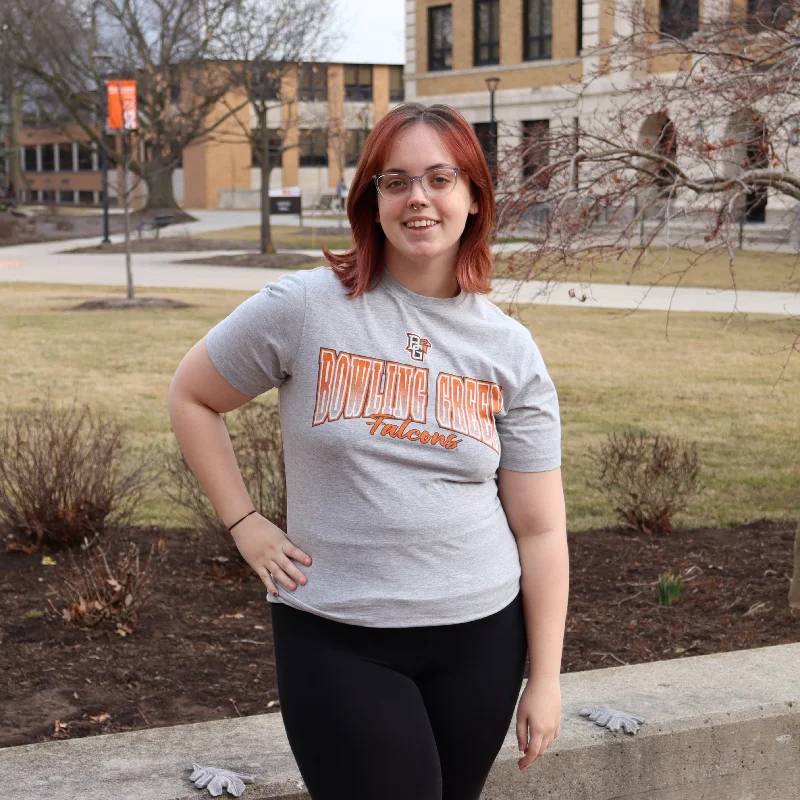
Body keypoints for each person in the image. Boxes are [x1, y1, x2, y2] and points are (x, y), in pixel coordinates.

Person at [168, 102, 568, 800]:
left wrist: (547, 678)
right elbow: (191, 397)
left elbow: (539, 528)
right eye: (396, 181)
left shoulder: (509, 348)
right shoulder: (306, 309)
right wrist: (244, 523)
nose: (419, 198)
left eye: (441, 179)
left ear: (473, 198)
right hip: (338, 634)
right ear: (371, 201)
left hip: (481, 639)